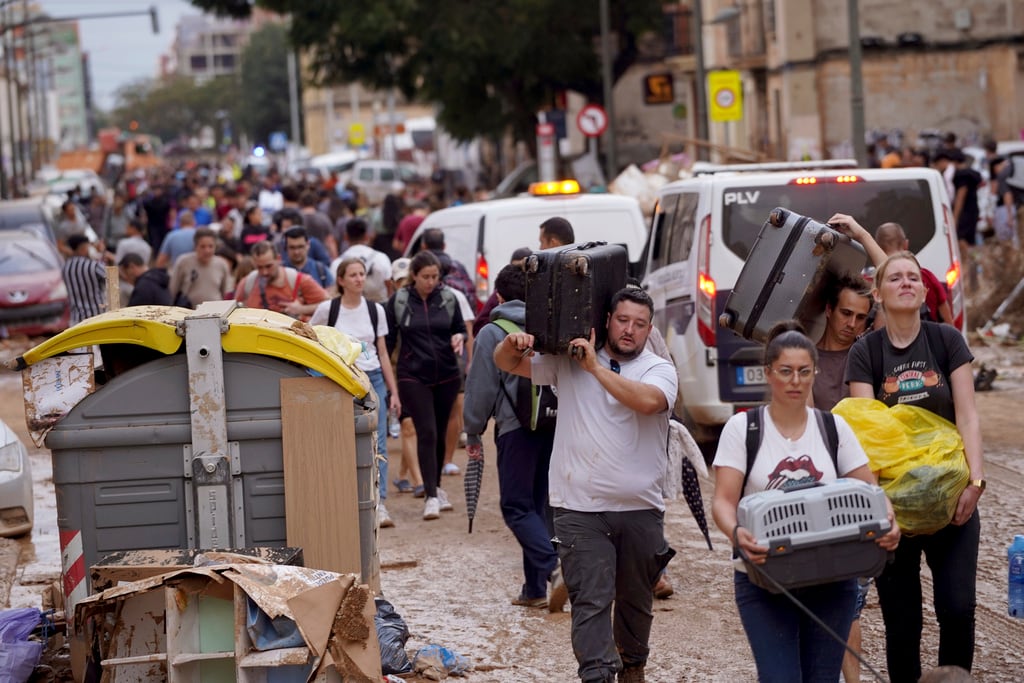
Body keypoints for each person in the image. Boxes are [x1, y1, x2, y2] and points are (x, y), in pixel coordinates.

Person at [494, 286, 677, 683]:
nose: (629, 330)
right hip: (578, 508)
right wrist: (513, 343)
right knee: (590, 601)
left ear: (649, 330)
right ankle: (595, 676)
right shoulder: (569, 359)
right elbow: (508, 363)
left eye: (639, 324)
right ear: (607, 320)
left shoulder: (658, 369)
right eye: (623, 320)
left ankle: (633, 668)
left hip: (641, 509)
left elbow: (646, 402)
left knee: (635, 603)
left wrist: (596, 368)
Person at [711, 322, 900, 683]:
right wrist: (736, 533)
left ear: (814, 372)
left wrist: (890, 521)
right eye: (785, 371)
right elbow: (723, 500)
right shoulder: (743, 429)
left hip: (832, 577)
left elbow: (871, 490)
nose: (795, 381)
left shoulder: (834, 429)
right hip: (764, 578)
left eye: (803, 371)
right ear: (768, 374)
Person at [846, 251, 984, 682]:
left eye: (912, 277)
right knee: (902, 622)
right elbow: (866, 434)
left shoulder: (946, 340)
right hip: (894, 511)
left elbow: (968, 414)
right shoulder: (866, 351)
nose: (905, 282)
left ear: (924, 292)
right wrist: (879, 504)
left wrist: (975, 481)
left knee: (957, 609)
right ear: (879, 294)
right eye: (895, 278)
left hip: (952, 505)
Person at [464, 263, 558, 608]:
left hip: (515, 428)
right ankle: (534, 590)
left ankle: (554, 567)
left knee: (516, 507)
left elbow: (480, 390)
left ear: (499, 296)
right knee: (539, 505)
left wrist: (473, 430)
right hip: (553, 424)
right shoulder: (547, 324)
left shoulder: (493, 332)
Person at [310, 257, 400, 528]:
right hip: (341, 379)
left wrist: (393, 392)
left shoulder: (376, 310)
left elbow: (383, 352)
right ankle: (346, 501)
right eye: (353, 275)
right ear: (341, 280)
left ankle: (379, 503)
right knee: (341, 439)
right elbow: (312, 338)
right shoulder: (329, 309)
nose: (359, 279)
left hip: (373, 378)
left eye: (362, 274)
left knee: (379, 441)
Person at [385, 251, 466, 521]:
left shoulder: (448, 298)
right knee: (427, 431)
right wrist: (391, 384)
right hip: (412, 375)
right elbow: (387, 342)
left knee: (441, 432)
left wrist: (459, 337)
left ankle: (438, 488)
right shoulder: (398, 301)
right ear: (414, 276)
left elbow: (460, 329)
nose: (431, 282)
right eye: (426, 277)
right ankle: (430, 496)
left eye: (435, 276)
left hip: (447, 374)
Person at [386, 257, 424, 497]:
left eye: (407, 280)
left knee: (415, 428)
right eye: (400, 281)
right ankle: (420, 483)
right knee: (408, 427)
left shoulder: (422, 306)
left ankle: (401, 476)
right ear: (392, 282)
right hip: (397, 374)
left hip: (419, 373)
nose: (403, 285)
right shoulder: (389, 308)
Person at [872, 220, 954, 325]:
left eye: (913, 279)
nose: (906, 283)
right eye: (895, 279)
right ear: (906, 244)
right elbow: (947, 318)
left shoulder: (871, 282)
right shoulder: (925, 275)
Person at [234, 240, 328, 319]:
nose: (264, 272)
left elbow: (329, 305)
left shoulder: (298, 280)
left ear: (278, 259)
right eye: (259, 267)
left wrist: (302, 309)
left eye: (268, 266)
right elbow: (233, 313)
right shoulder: (248, 283)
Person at [170, 228, 236, 308]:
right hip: (188, 312)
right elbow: (172, 290)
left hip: (214, 313)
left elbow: (226, 293)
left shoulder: (221, 264)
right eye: (203, 247)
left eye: (210, 246)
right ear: (195, 246)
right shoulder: (183, 262)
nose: (207, 250)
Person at [335, 218, 393, 303]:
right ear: (367, 236)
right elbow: (389, 285)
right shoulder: (381, 257)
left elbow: (334, 290)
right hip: (380, 305)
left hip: (348, 310)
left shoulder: (338, 262)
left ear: (346, 237)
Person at [62, 234, 107, 325]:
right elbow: (111, 276)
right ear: (83, 248)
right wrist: (102, 254)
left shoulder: (65, 267)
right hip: (96, 317)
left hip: (76, 320)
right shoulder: (93, 265)